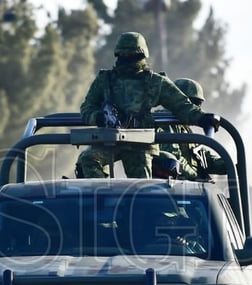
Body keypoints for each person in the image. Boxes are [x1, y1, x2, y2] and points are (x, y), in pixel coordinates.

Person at [76, 32, 220, 179]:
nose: (128, 59)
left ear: (142, 56)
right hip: (110, 140)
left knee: (141, 188)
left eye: (132, 56)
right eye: (124, 55)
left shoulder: (155, 82)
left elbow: (180, 105)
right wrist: (99, 117)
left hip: (140, 142)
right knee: (88, 159)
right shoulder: (104, 80)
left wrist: (202, 118)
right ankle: (103, 198)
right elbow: (87, 108)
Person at [153, 78, 227, 180]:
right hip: (172, 187)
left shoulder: (183, 126)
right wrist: (196, 177)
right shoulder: (164, 121)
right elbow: (174, 157)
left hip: (187, 187)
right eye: (194, 103)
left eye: (199, 104)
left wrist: (228, 165)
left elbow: (203, 157)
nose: (197, 108)